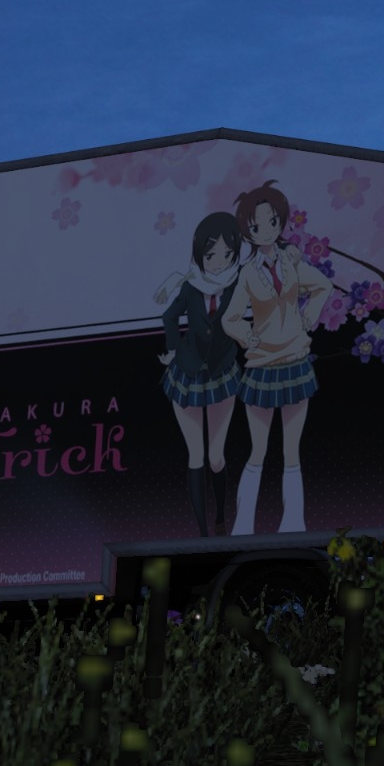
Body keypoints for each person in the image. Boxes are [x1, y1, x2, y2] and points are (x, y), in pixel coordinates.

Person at [221, 182, 330, 534]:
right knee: (258, 449)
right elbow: (229, 318)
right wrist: (246, 336)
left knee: (291, 451)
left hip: (295, 360)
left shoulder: (291, 262)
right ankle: (243, 524)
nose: (266, 230)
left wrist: (311, 312)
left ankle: (294, 522)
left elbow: (323, 285)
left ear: (281, 222)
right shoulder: (248, 273)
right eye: (256, 226)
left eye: (272, 222)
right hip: (263, 366)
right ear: (248, 231)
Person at [155, 212, 245, 537]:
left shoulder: (239, 283)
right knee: (195, 456)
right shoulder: (191, 287)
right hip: (188, 374)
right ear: (199, 254)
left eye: (227, 254)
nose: (219, 262)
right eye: (211, 255)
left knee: (216, 456)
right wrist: (173, 349)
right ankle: (203, 534)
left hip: (222, 374)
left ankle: (220, 518)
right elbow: (169, 317)